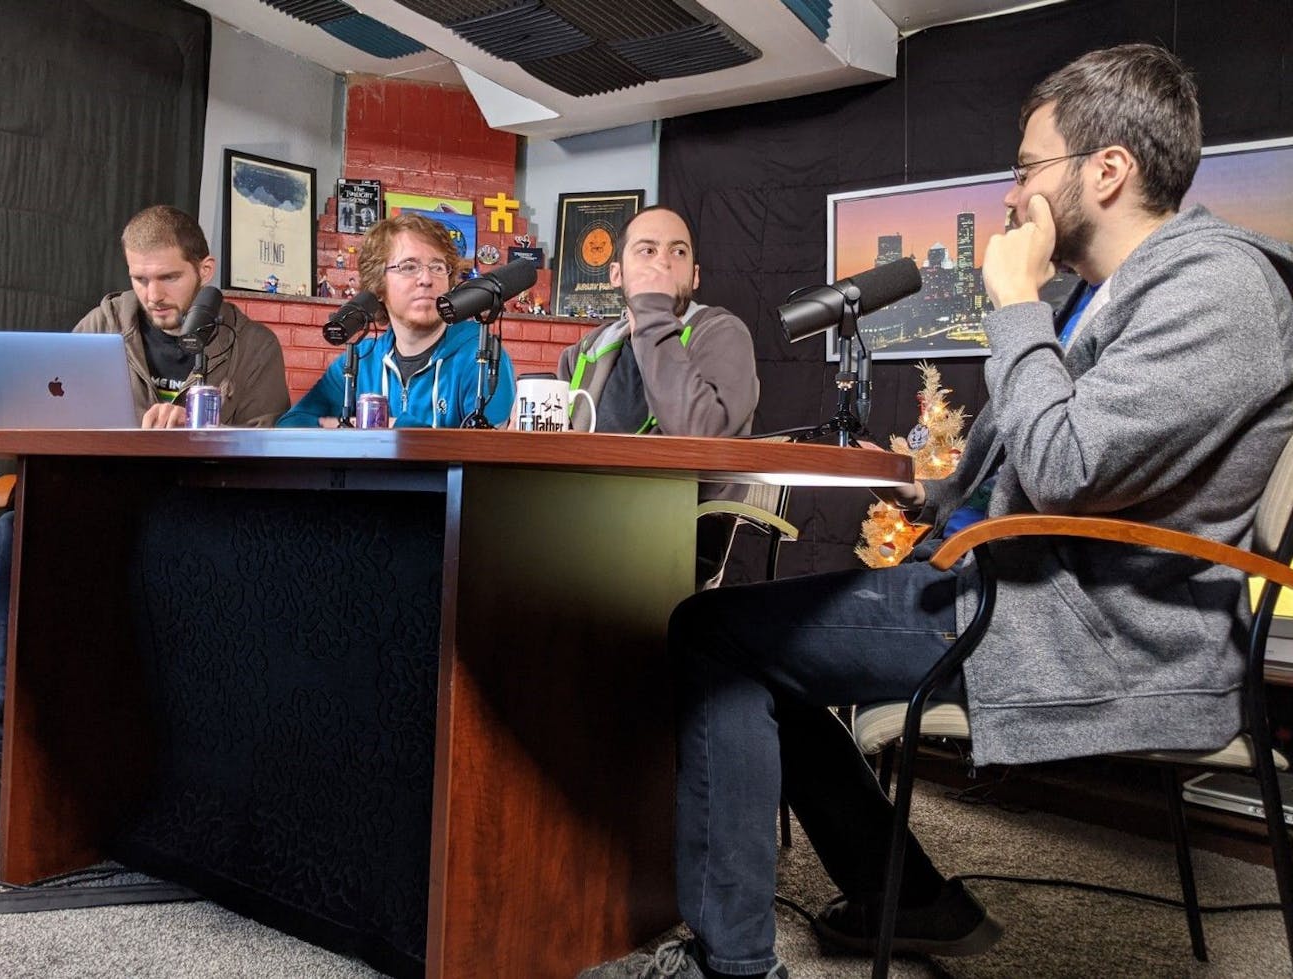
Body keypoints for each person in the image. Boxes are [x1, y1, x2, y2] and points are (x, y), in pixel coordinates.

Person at [580, 44, 1293, 979]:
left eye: (1028, 166)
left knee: (715, 636)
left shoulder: (1219, 290)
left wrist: (1012, 300)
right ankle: (904, 895)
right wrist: (930, 486)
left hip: (1098, 630)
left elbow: (1068, 465)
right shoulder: (1105, 294)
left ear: (1107, 169)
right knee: (752, 641)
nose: (1012, 195)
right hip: (1029, 588)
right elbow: (1039, 449)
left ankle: (732, 967)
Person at [0, 205, 290, 839]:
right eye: (141, 279)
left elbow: (275, 444)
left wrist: (201, 427)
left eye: (170, 279)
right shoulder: (98, 327)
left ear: (205, 270)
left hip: (202, 513)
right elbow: (51, 423)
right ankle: (0, 757)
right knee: (11, 538)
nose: (153, 295)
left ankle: (202, 767)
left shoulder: (254, 346)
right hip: (100, 513)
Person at [557, 206, 760, 586]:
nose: (663, 263)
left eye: (678, 252)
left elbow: (699, 437)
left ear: (695, 276)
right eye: (647, 250)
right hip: (579, 530)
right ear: (616, 273)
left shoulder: (721, 333)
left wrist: (652, 312)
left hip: (676, 543)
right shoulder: (584, 351)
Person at [277, 212, 516, 428]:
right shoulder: (359, 361)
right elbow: (290, 426)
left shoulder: (481, 355)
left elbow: (489, 456)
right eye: (409, 267)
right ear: (378, 287)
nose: (426, 278)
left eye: (437, 267)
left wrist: (391, 427)